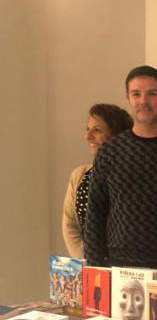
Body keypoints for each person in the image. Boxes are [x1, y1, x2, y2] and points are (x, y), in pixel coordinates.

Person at [84, 66, 157, 280]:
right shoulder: (109, 151)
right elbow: (95, 215)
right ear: (128, 98)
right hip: (119, 267)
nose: (143, 101)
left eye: (152, 94)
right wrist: (95, 271)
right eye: (136, 94)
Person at [62, 104, 132, 258]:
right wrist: (89, 261)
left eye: (97, 130)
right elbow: (70, 225)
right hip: (89, 268)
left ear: (115, 135)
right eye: (88, 129)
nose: (88, 137)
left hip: (124, 267)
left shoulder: (131, 174)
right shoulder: (79, 175)